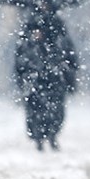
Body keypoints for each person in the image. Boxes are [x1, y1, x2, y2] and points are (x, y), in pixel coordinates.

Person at [15, 17, 78, 151]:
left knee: (54, 112)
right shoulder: (27, 44)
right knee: (35, 112)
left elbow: (69, 60)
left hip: (53, 83)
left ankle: (51, 135)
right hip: (35, 84)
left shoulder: (57, 42)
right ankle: (39, 137)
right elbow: (20, 64)